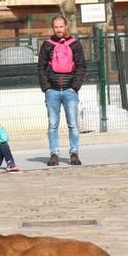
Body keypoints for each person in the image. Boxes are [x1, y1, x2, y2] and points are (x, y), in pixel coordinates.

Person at [37, 15, 86, 166]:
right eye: (56, 27)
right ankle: (54, 154)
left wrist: (74, 87)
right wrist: (46, 88)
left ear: (66, 27)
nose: (58, 29)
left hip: (70, 91)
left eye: (61, 26)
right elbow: (41, 67)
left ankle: (74, 153)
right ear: (53, 28)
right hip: (52, 91)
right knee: (53, 125)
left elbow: (81, 66)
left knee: (73, 124)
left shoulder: (75, 44)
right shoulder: (47, 44)